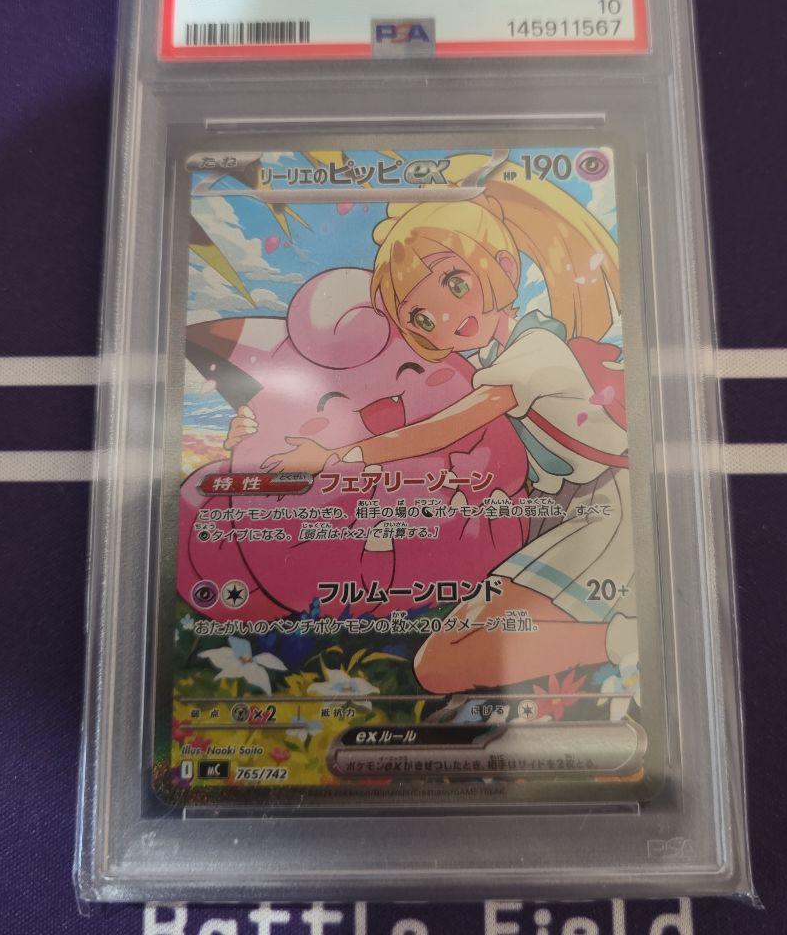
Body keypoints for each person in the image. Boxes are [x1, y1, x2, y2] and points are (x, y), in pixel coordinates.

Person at [227, 153, 636, 693]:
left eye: (455, 283)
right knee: (446, 655)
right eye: (422, 317)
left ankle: (624, 639)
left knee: (442, 663)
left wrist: (340, 457)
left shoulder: (535, 351)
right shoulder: (486, 361)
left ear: (503, 267)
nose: (446, 318)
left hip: (605, 514)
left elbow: (446, 428)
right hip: (551, 513)